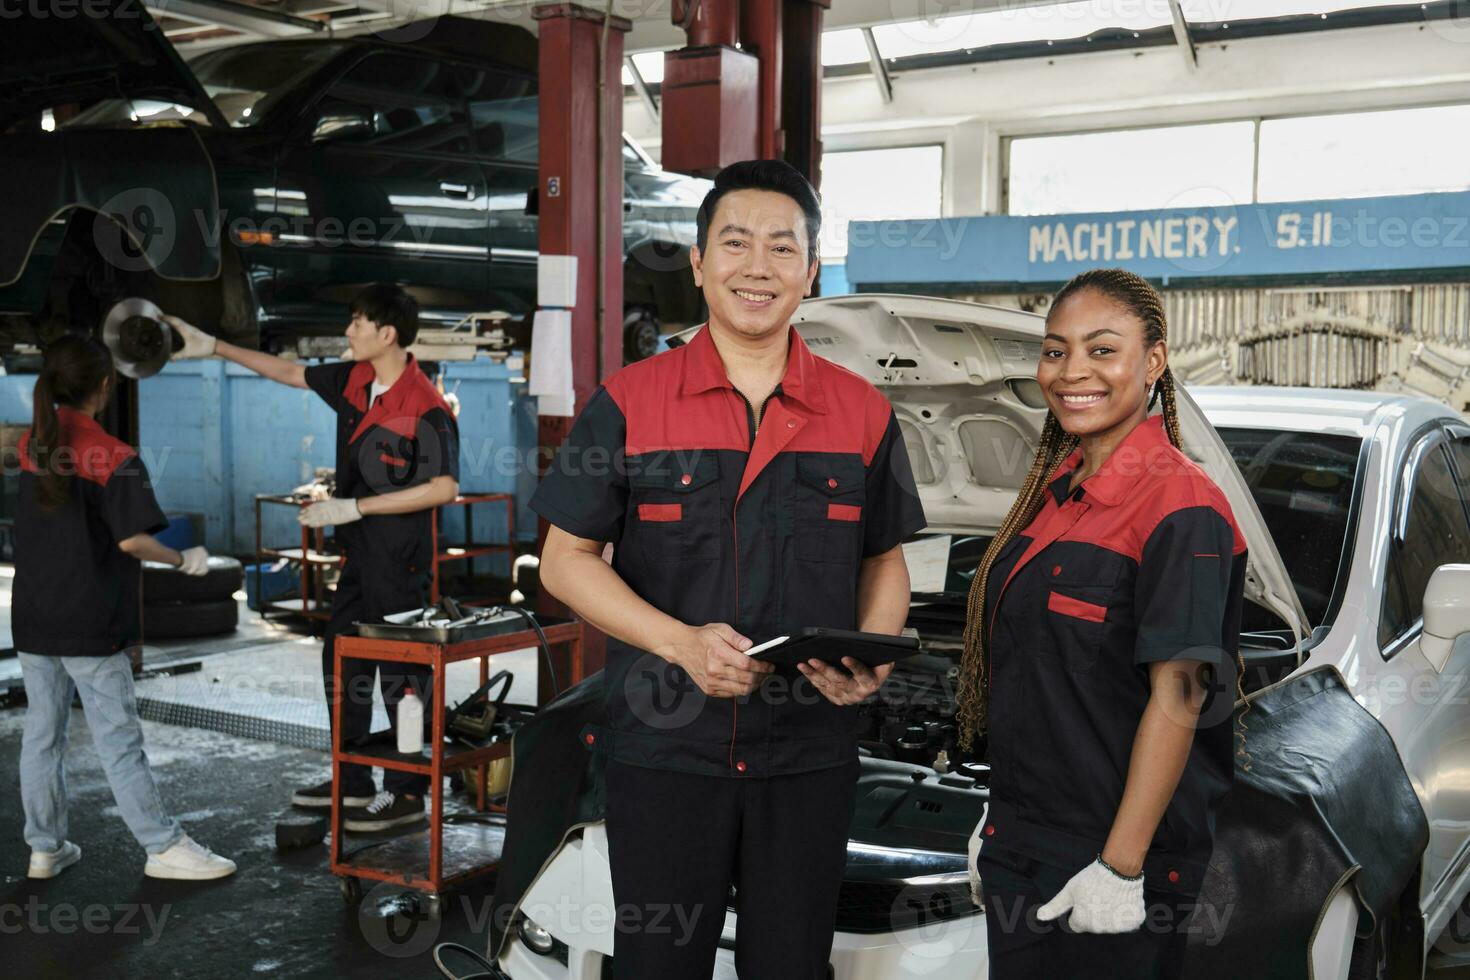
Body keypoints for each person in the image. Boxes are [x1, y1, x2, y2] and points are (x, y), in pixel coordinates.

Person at [532, 159, 927, 979]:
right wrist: (678, 643)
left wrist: (872, 652)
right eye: (736, 243)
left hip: (809, 756)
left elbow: (885, 559)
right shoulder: (630, 400)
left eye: (783, 248)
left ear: (811, 271)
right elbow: (563, 564)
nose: (759, 266)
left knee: (791, 967)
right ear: (702, 263)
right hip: (667, 751)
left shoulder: (861, 410)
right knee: (658, 965)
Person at [957, 268, 1247, 978]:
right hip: (1024, 841)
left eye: (1101, 350)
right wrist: (998, 816)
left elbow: (1179, 696)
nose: (1072, 371)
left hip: (1116, 855)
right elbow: (1035, 675)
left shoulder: (1181, 507)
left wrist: (1120, 866)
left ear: (1154, 361)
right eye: (1056, 351)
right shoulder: (1056, 497)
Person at [167, 283, 460, 832]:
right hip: (359, 558)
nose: (347, 332)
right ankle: (351, 780)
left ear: (386, 333)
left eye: (355, 323)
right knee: (342, 663)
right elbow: (287, 373)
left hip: (398, 563)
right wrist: (214, 348)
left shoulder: (426, 406)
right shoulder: (355, 381)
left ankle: (406, 791)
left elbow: (443, 488)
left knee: (404, 680)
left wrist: (355, 506)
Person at [14, 334, 236, 880]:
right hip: (89, 622)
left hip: (35, 620)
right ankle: (163, 846)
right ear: (105, 387)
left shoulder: (31, 446)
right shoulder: (113, 456)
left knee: (43, 735)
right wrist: (183, 559)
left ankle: (45, 847)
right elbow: (133, 542)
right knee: (118, 740)